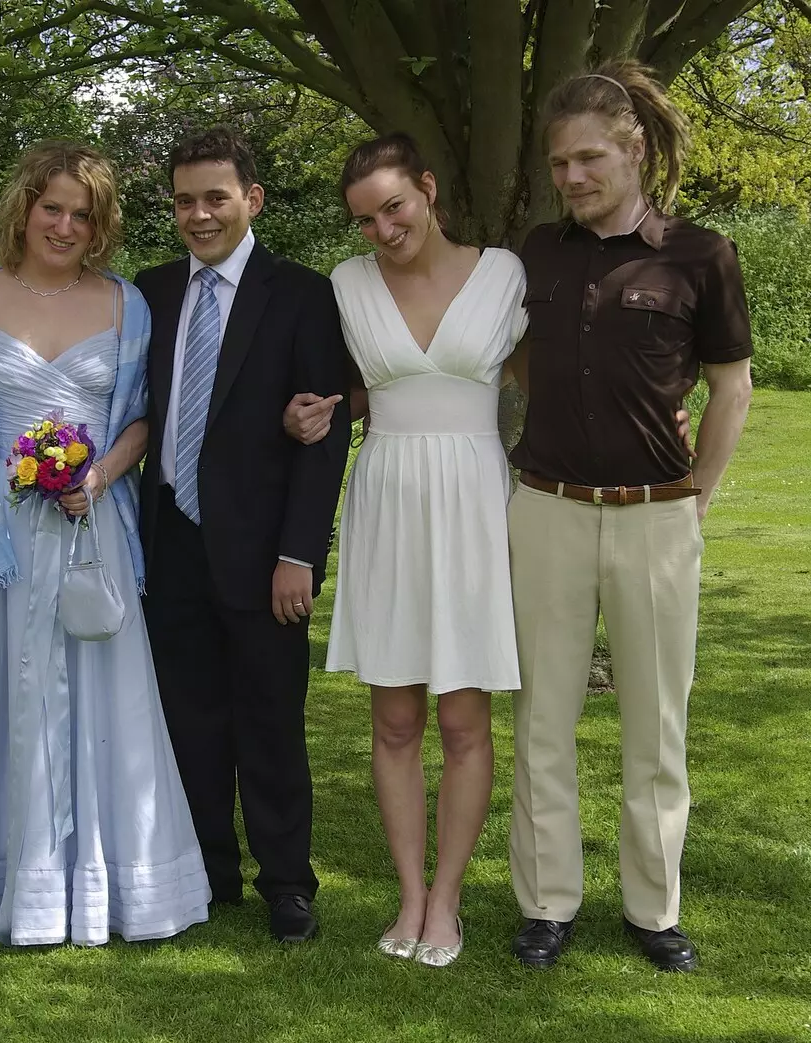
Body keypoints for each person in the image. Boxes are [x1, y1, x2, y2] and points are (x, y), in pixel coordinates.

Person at [506, 60, 754, 973]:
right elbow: (515, 361)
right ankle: (546, 905)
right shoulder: (534, 254)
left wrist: (698, 496)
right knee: (543, 719)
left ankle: (654, 911)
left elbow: (732, 386)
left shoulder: (700, 255)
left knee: (657, 726)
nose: (572, 178)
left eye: (588, 159)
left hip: (657, 519)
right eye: (559, 164)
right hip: (546, 512)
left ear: (634, 149)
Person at [0, 142, 210, 947]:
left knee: (110, 697)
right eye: (51, 207)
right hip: (7, 541)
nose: (64, 225)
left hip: (95, 528)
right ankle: (13, 886)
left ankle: (115, 888)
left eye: (82, 214)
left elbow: (141, 417)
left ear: (100, 226)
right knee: (9, 697)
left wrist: (94, 480)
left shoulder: (128, 304)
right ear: (22, 207)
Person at [284, 134, 530, 966]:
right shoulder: (347, 287)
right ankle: (410, 895)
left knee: (463, 718)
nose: (384, 229)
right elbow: (352, 390)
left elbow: (552, 375)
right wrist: (317, 413)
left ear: (427, 188)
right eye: (365, 219)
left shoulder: (505, 273)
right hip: (386, 498)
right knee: (394, 719)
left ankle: (449, 902)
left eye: (395, 206)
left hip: (471, 502)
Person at [134, 126, 353, 943]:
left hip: (267, 556)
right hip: (170, 546)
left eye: (215, 197)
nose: (200, 214)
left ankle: (287, 884)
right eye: (186, 199)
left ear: (251, 200)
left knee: (269, 721)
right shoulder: (151, 293)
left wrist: (299, 552)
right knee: (187, 719)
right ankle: (206, 873)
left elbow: (324, 432)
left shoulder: (301, 294)